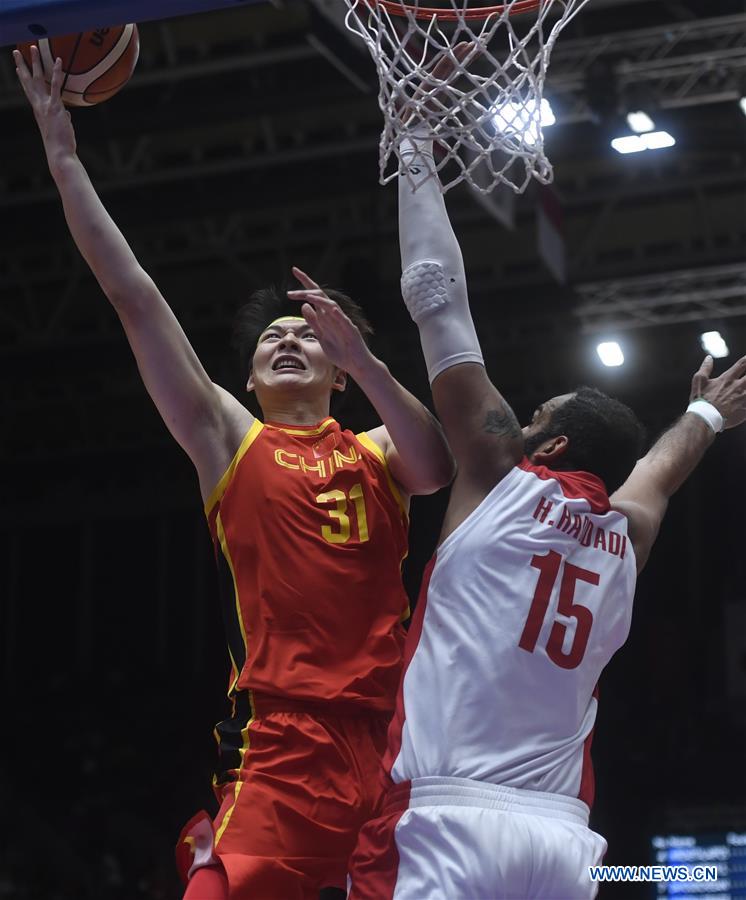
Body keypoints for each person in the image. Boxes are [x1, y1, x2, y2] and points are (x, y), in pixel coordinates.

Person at [13, 48, 455, 899]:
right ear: (248, 381)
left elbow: (437, 465)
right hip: (282, 747)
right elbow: (134, 294)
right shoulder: (229, 439)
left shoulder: (378, 452)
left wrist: (364, 361)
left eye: (307, 338)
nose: (287, 341)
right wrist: (65, 160)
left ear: (336, 371)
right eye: (268, 342)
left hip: (394, 746)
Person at [346, 123, 746, 898]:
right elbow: (660, 473)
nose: (518, 420)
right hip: (561, 836)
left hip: (446, 818)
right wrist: (705, 421)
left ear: (553, 446)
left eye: (535, 414)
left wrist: (417, 146)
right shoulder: (625, 536)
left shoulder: (500, 474)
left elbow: (438, 300)